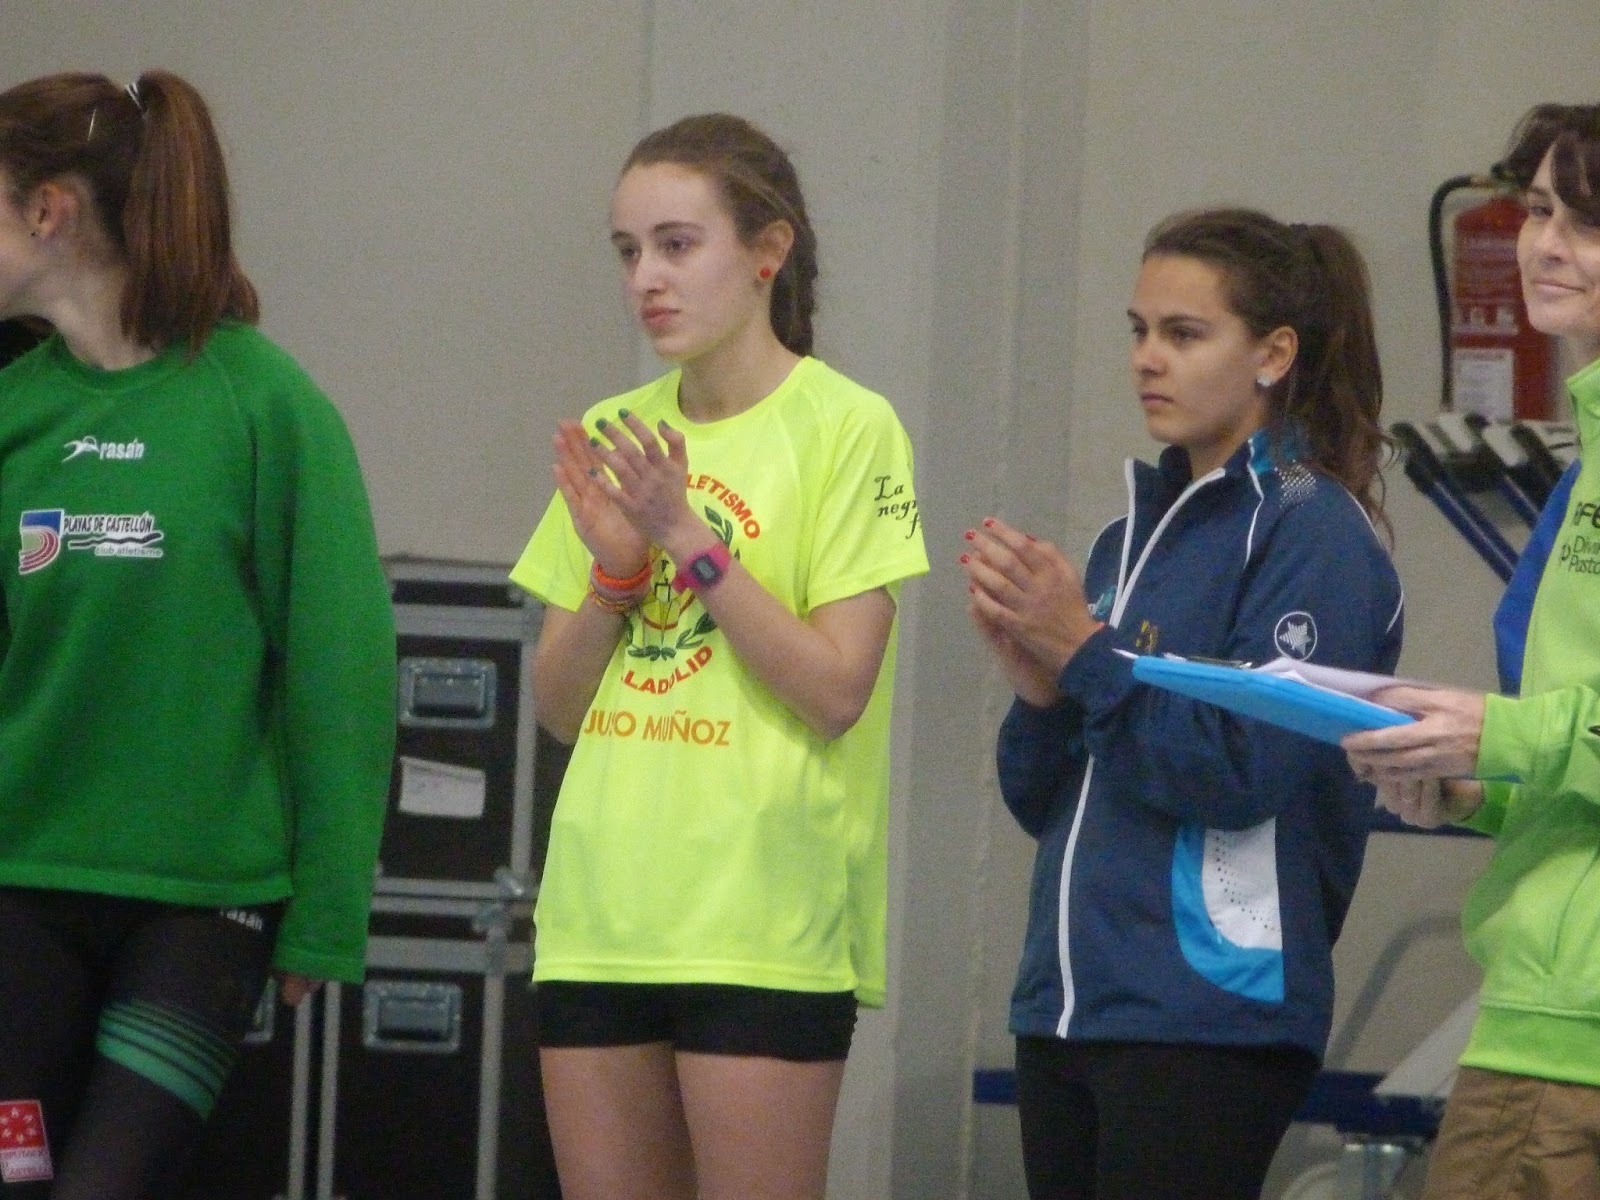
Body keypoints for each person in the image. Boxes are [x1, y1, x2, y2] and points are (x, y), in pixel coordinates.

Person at [509, 113, 928, 1200]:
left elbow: (836, 690)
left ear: (766, 252)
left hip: (761, 923)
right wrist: (614, 576)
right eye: (628, 251)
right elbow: (556, 706)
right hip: (602, 917)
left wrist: (686, 538)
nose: (646, 278)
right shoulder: (617, 428)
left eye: (677, 244)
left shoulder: (849, 427)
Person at [0, 70, 396, 1198]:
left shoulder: (263, 405)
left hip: (202, 905)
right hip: (21, 886)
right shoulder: (16, 411)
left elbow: (341, 670)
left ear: (49, 211)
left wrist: (327, 914)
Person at [963, 208, 1404, 1200]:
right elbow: (1047, 804)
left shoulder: (1313, 533)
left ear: (1272, 355)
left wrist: (1084, 653)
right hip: (1069, 1003)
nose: (1146, 359)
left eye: (1183, 333)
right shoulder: (1124, 541)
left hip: (1208, 1012)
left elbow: (1243, 770)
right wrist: (1041, 693)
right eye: (1137, 330)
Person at [1343, 102, 1600, 1200]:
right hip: (1536, 1006)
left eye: (1587, 221)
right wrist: (1467, 787)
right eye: (1539, 210)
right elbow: (1566, 763)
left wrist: (1497, 734)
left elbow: (1548, 733)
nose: (1547, 244)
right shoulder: (1583, 467)